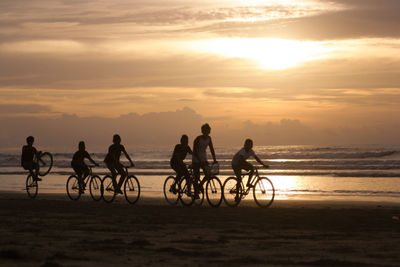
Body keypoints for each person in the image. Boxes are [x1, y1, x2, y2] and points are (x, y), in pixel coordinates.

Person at [192, 123, 217, 198]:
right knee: (197, 176)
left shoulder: (209, 138)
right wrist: (199, 160)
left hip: (204, 158)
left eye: (208, 130)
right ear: (202, 131)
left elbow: (211, 149)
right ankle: (196, 192)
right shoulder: (198, 139)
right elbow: (194, 151)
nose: (207, 132)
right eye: (205, 130)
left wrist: (214, 159)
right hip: (196, 159)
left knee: (208, 174)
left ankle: (200, 185)